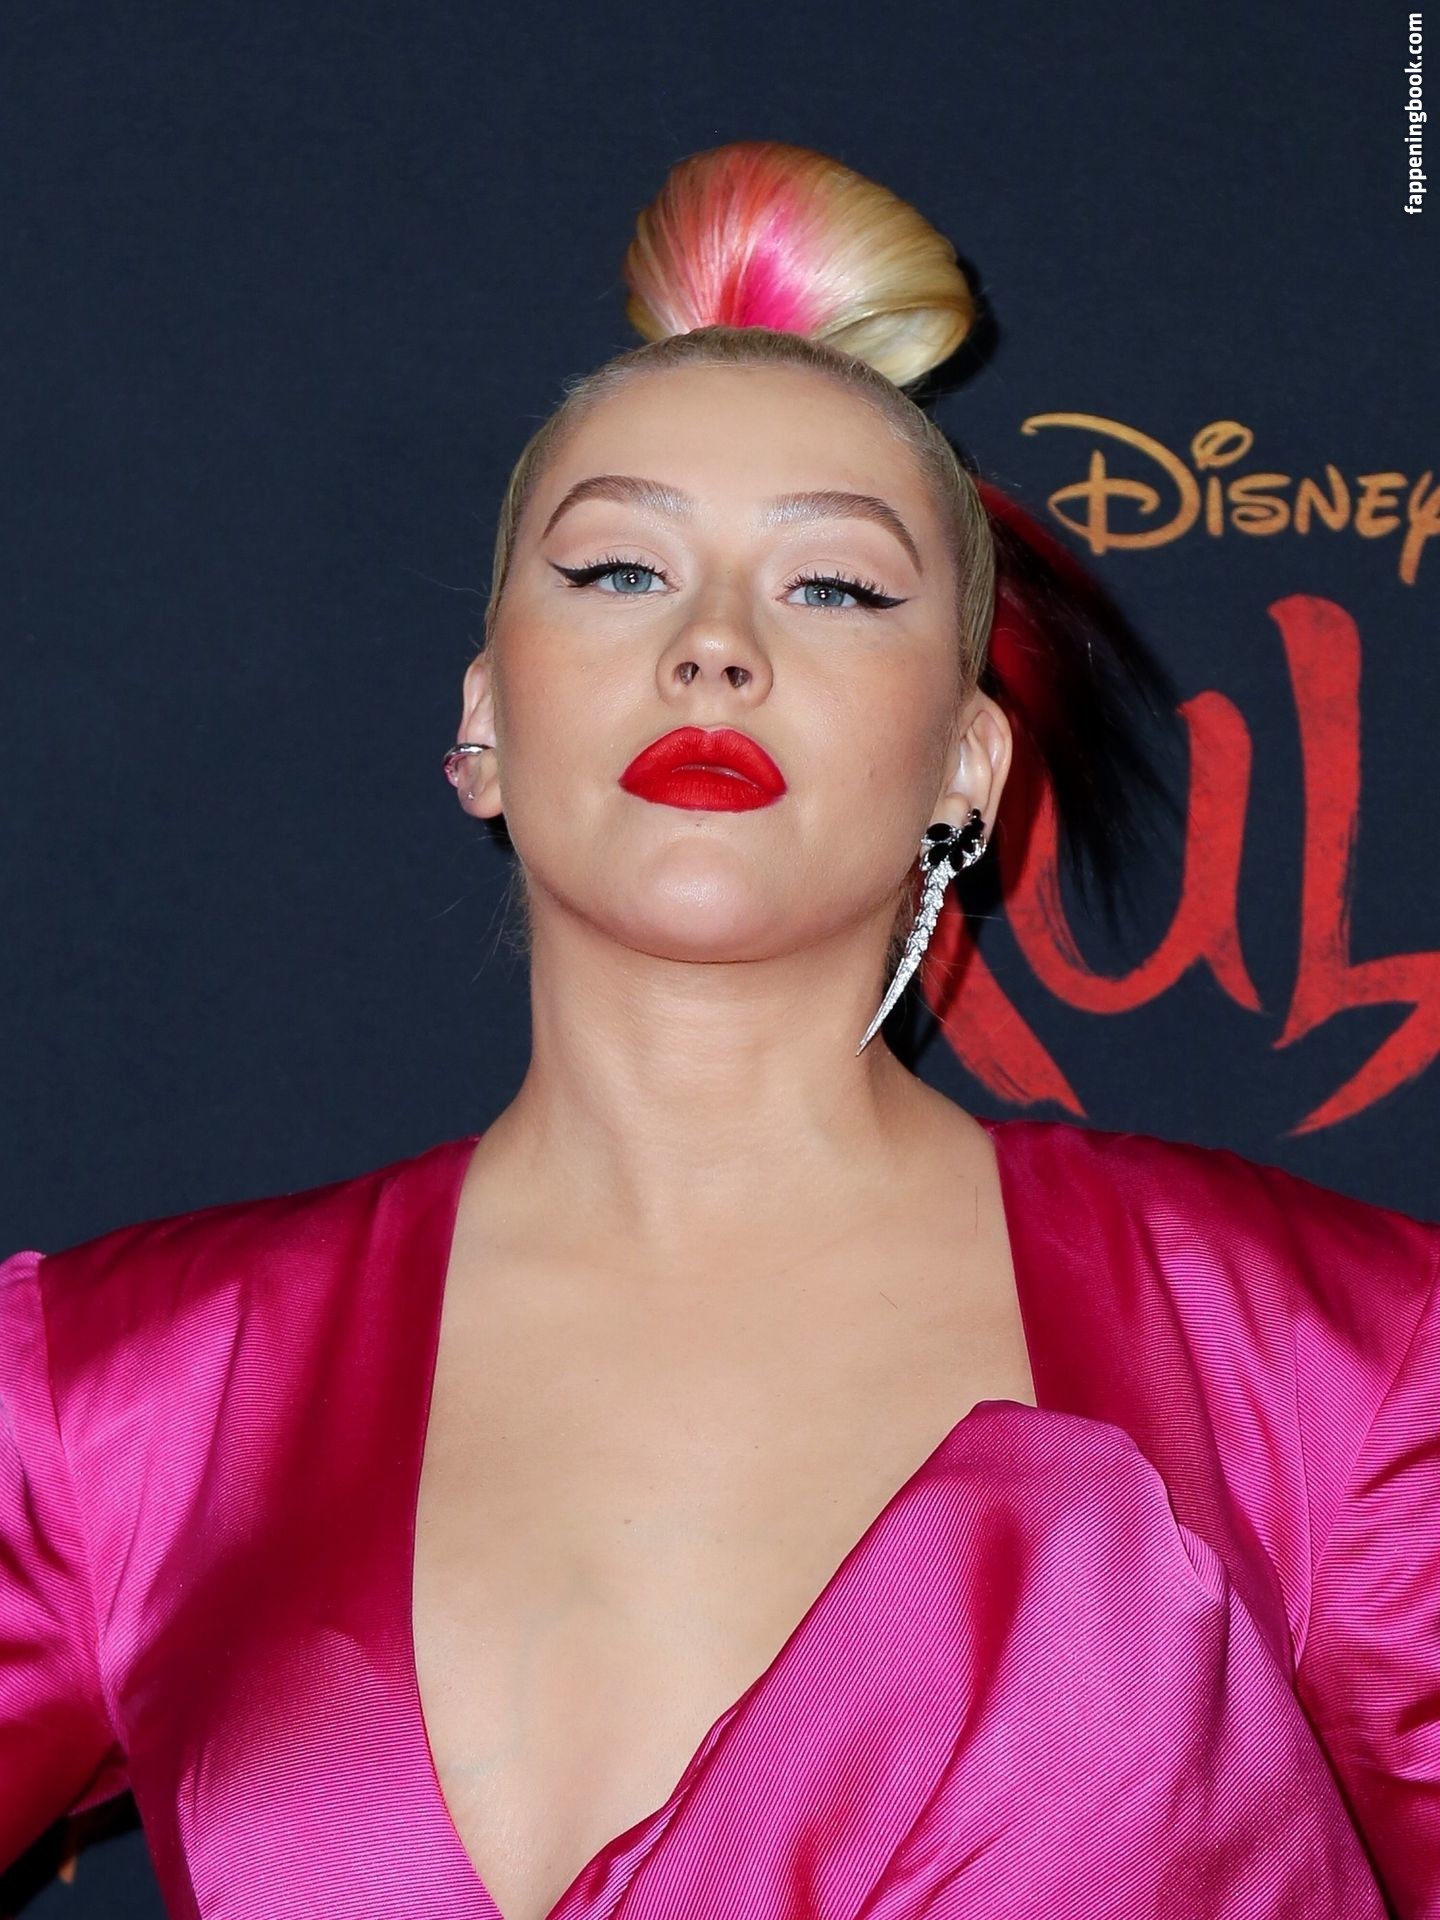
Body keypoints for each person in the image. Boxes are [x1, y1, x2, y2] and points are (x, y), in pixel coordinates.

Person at [2, 139, 1437, 1920]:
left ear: (968, 765)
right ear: (482, 721)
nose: (715, 650)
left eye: (833, 587)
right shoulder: (115, 1404)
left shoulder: (1333, 1362)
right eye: (619, 570)